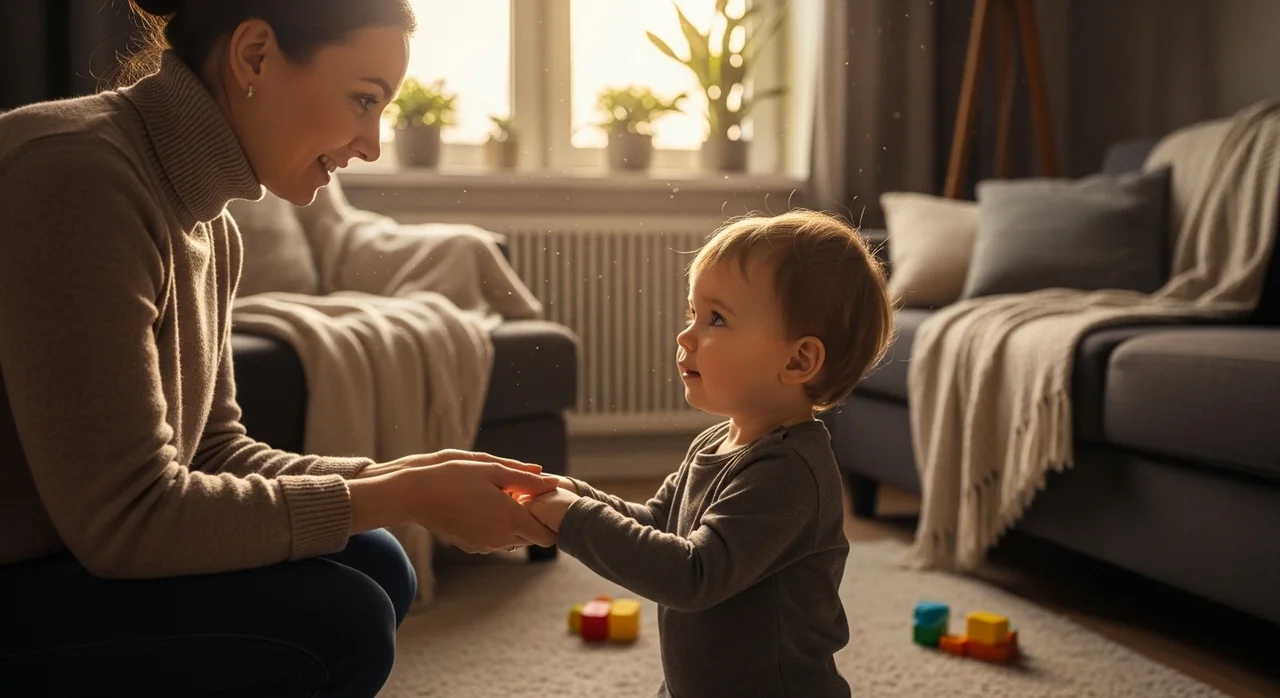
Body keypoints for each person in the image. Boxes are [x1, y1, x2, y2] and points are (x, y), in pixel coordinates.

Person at [0, 1, 558, 695]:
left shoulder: (209, 225)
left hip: (62, 558)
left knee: (378, 560)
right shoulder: (76, 175)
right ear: (255, 55)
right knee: (340, 619)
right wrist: (409, 493)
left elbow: (213, 450)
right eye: (363, 99)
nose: (373, 144)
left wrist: (411, 477)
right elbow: (128, 521)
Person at [523, 210, 895, 698]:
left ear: (798, 360)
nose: (686, 336)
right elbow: (657, 523)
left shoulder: (790, 473)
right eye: (691, 314)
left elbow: (691, 574)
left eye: (716, 318)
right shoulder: (716, 442)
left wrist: (572, 518)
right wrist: (575, 494)